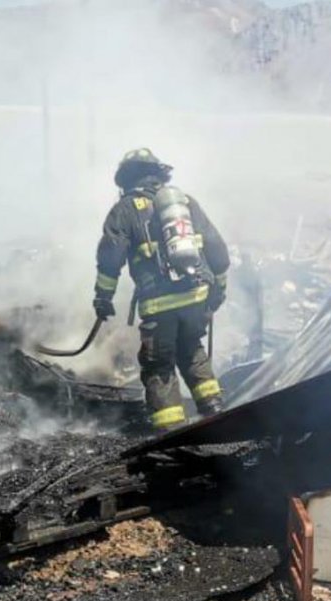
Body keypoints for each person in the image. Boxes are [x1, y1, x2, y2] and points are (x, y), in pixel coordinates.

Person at [92, 148, 230, 430]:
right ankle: (214, 409)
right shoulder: (186, 203)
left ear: (126, 180)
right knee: (192, 350)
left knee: (159, 365)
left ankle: (170, 429)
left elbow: (110, 258)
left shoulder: (124, 210)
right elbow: (217, 248)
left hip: (159, 304)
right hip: (196, 295)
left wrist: (103, 296)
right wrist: (219, 287)